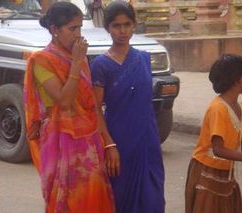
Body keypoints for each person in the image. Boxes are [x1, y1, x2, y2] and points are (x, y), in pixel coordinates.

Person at [23, 1, 115, 212]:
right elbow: (64, 101)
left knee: (92, 195)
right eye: (73, 28)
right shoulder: (42, 61)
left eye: (80, 27)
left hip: (89, 139)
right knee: (65, 198)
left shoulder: (78, 57)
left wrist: (106, 141)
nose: (78, 34)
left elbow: (90, 103)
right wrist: (76, 62)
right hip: (60, 140)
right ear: (55, 30)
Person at [90, 1, 165, 212]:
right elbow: (95, 108)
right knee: (122, 196)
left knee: (153, 195)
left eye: (127, 24)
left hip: (148, 138)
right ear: (108, 28)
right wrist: (109, 145)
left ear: (134, 25)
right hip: (119, 140)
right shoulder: (101, 65)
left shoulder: (143, 58)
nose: (122, 31)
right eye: (116, 25)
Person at [185, 54, 242, 213]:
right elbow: (218, 149)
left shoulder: (240, 107)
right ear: (237, 80)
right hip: (207, 171)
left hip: (225, 173)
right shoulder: (218, 109)